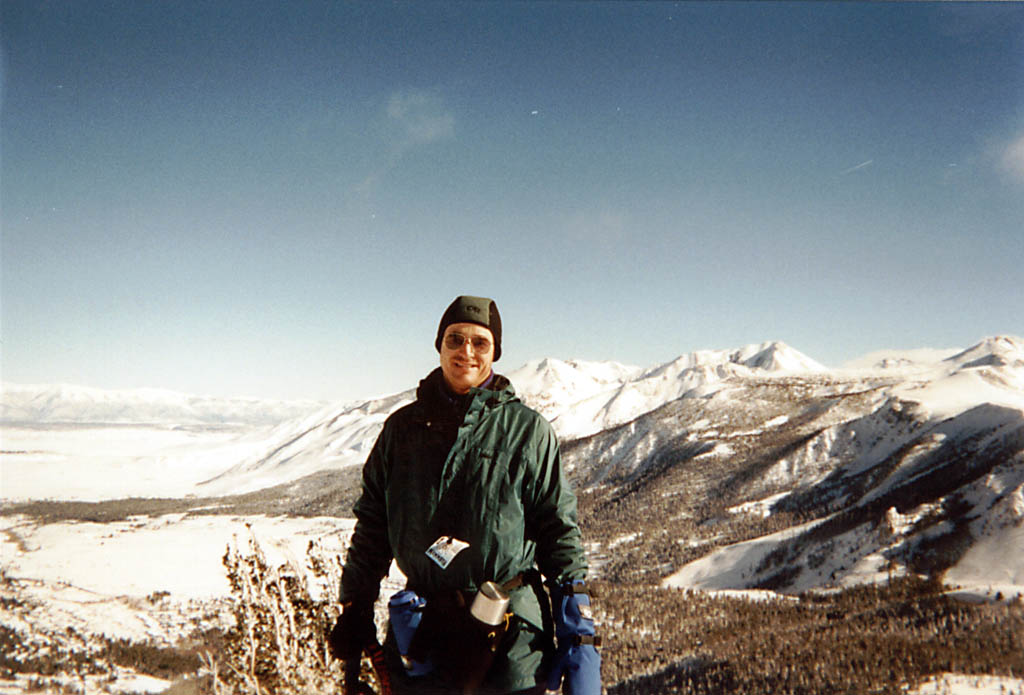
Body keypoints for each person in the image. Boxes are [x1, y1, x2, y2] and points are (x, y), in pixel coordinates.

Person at [329, 295, 601, 694]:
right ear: (439, 344)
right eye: (455, 339)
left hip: (511, 639)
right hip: (423, 633)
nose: (466, 352)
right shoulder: (401, 430)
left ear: (496, 352)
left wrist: (579, 632)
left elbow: (558, 529)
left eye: (480, 343)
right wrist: (355, 604)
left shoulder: (527, 431)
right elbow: (373, 524)